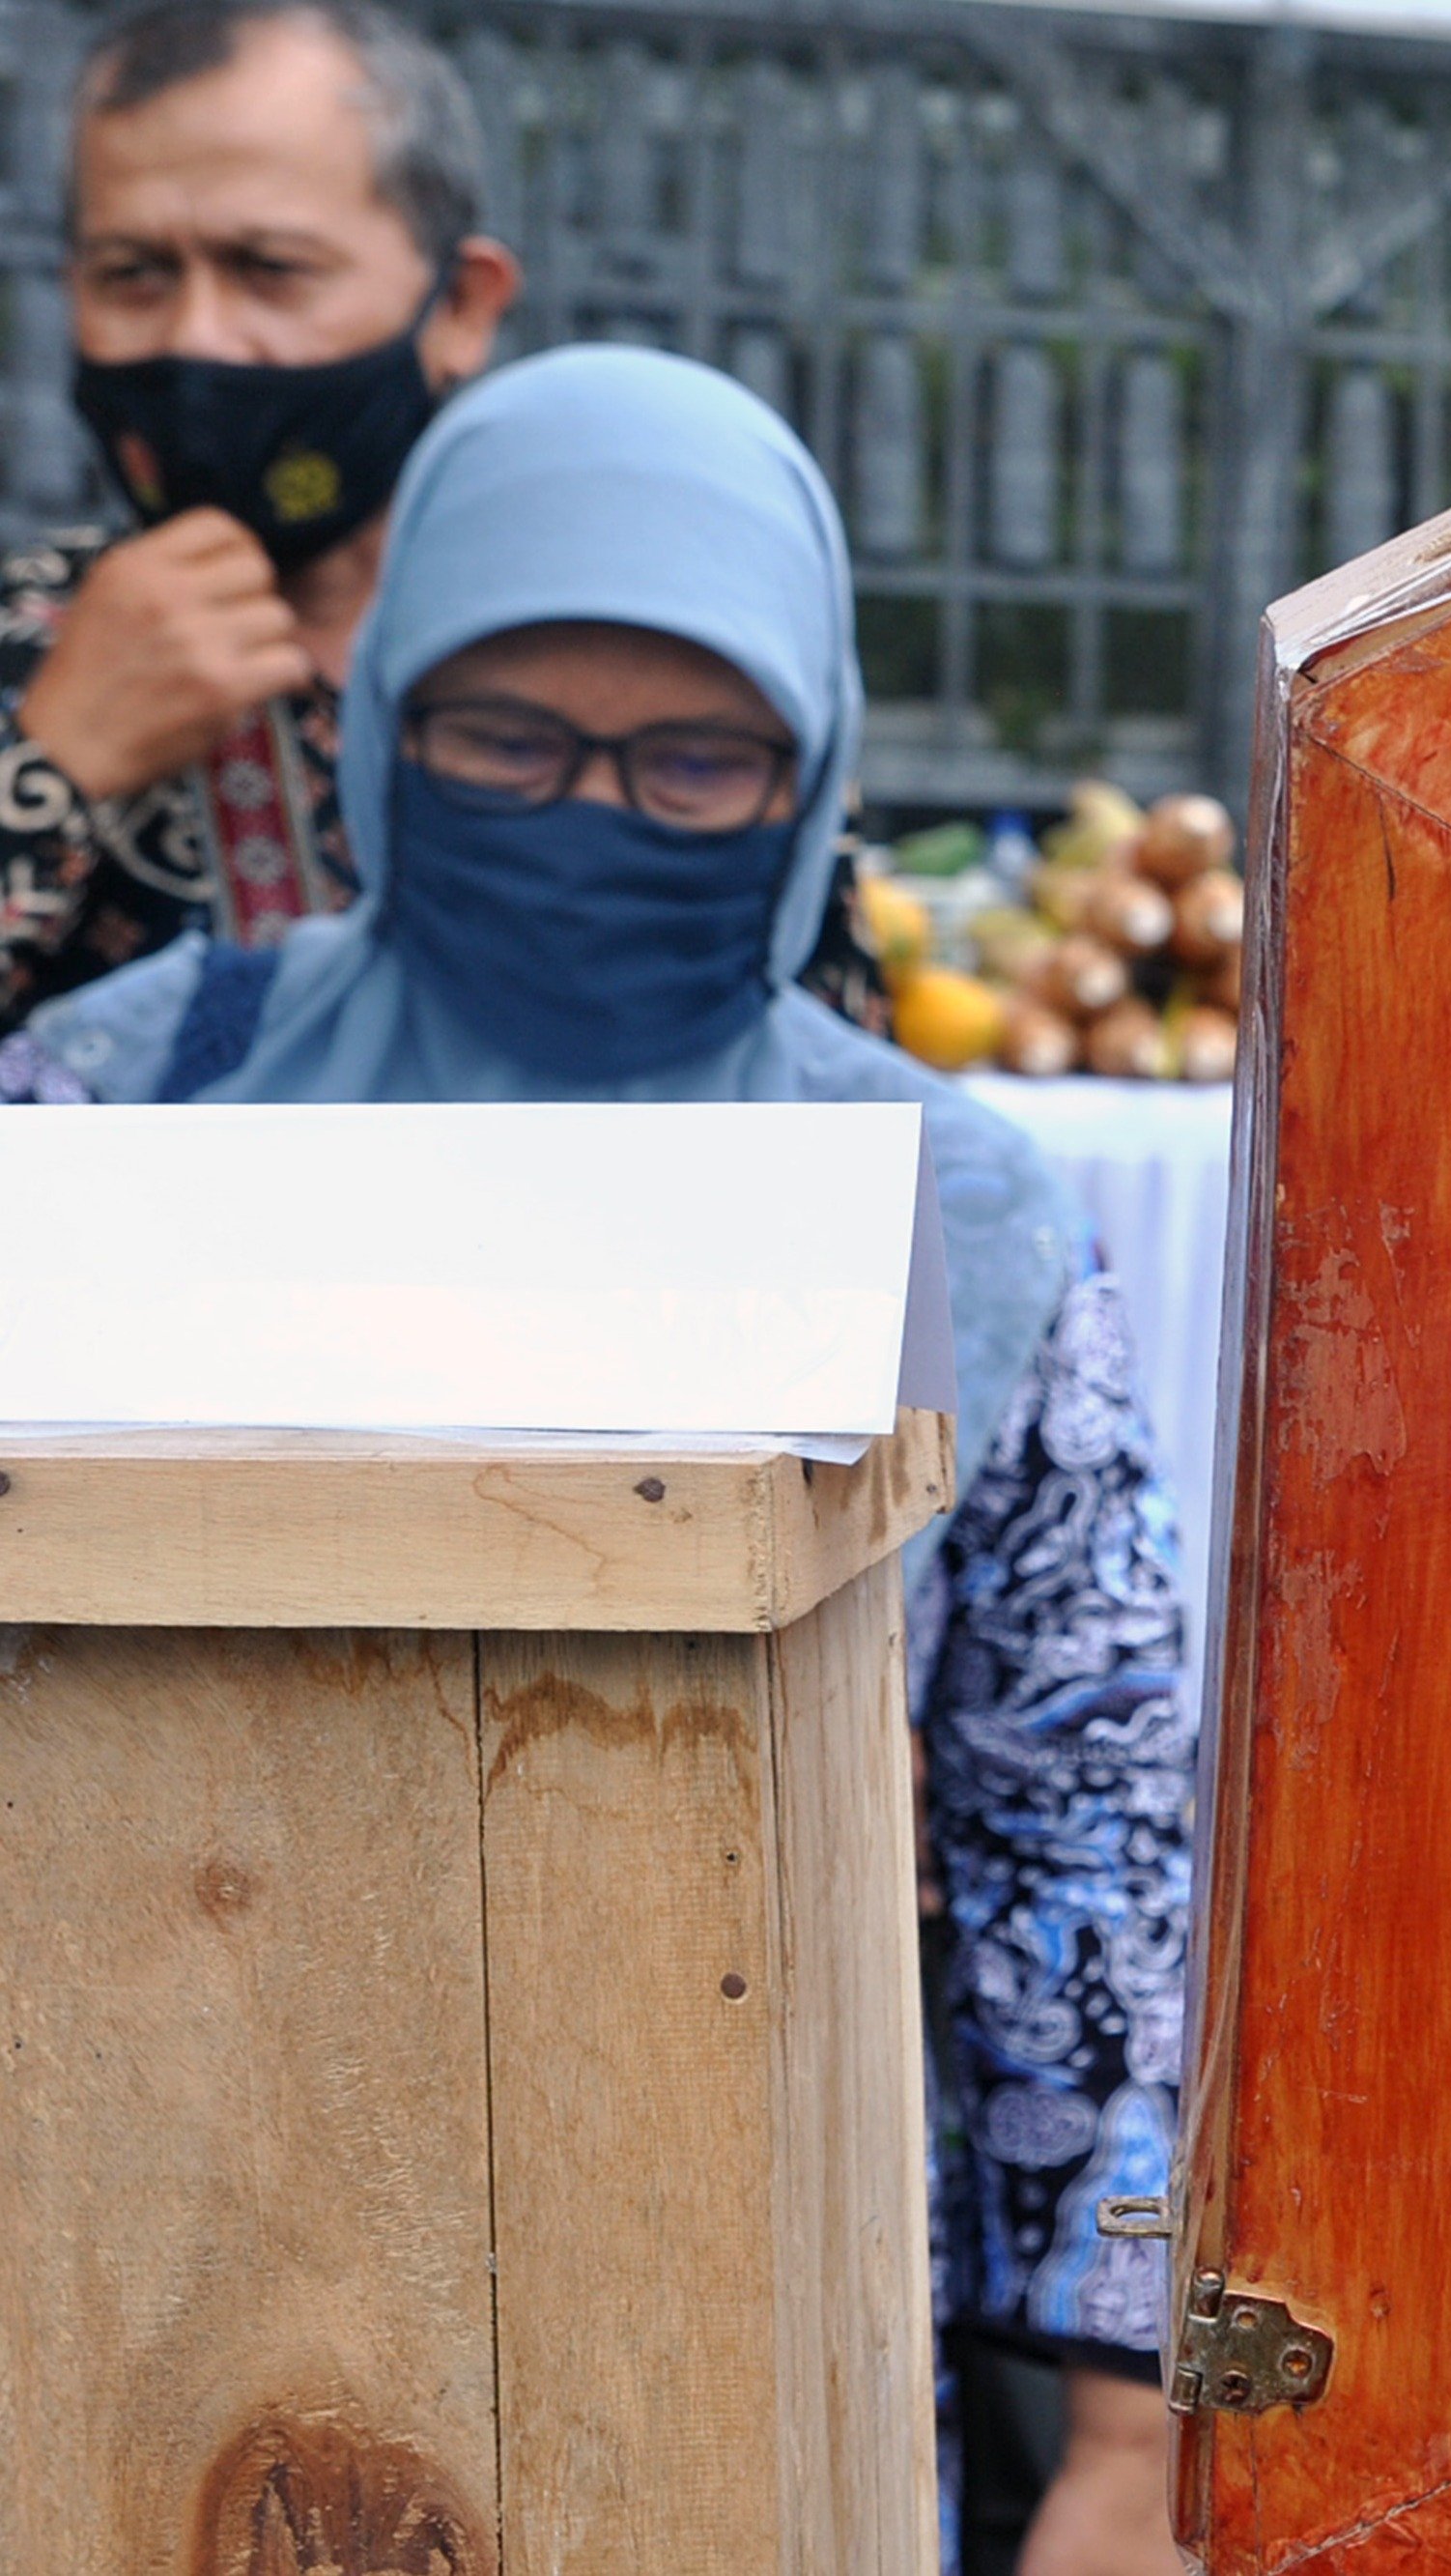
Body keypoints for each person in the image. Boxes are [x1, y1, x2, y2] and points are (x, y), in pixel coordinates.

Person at [6, 345, 1197, 2576]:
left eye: (694, 760)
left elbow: (1084, 1814)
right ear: (387, 724)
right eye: (506, 739)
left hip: (740, 2288)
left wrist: (1126, 2444)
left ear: (810, 770)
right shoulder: (121, 1106)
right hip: (149, 2290)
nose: (593, 816)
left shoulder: (953, 1207)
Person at [0, 0, 884, 1042]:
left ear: (461, 305)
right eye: (132, 275)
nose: (200, 338)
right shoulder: (26, 639)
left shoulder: (648, 656)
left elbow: (823, 1080)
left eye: (270, 269)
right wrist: (51, 766)